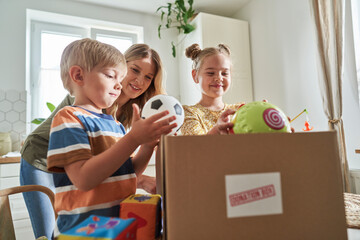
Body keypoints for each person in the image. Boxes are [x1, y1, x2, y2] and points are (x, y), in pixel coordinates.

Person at [20, 43, 167, 239]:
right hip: (40, 158)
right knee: (46, 233)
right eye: (134, 70)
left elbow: (120, 167)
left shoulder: (117, 120)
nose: (139, 80)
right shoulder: (74, 113)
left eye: (148, 77)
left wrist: (147, 144)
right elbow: (85, 175)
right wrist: (134, 140)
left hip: (101, 221)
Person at [180, 43, 244, 135]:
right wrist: (217, 131)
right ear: (195, 76)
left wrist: (263, 114)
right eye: (210, 73)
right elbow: (196, 146)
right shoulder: (188, 113)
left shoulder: (240, 109)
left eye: (224, 73)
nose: (219, 78)